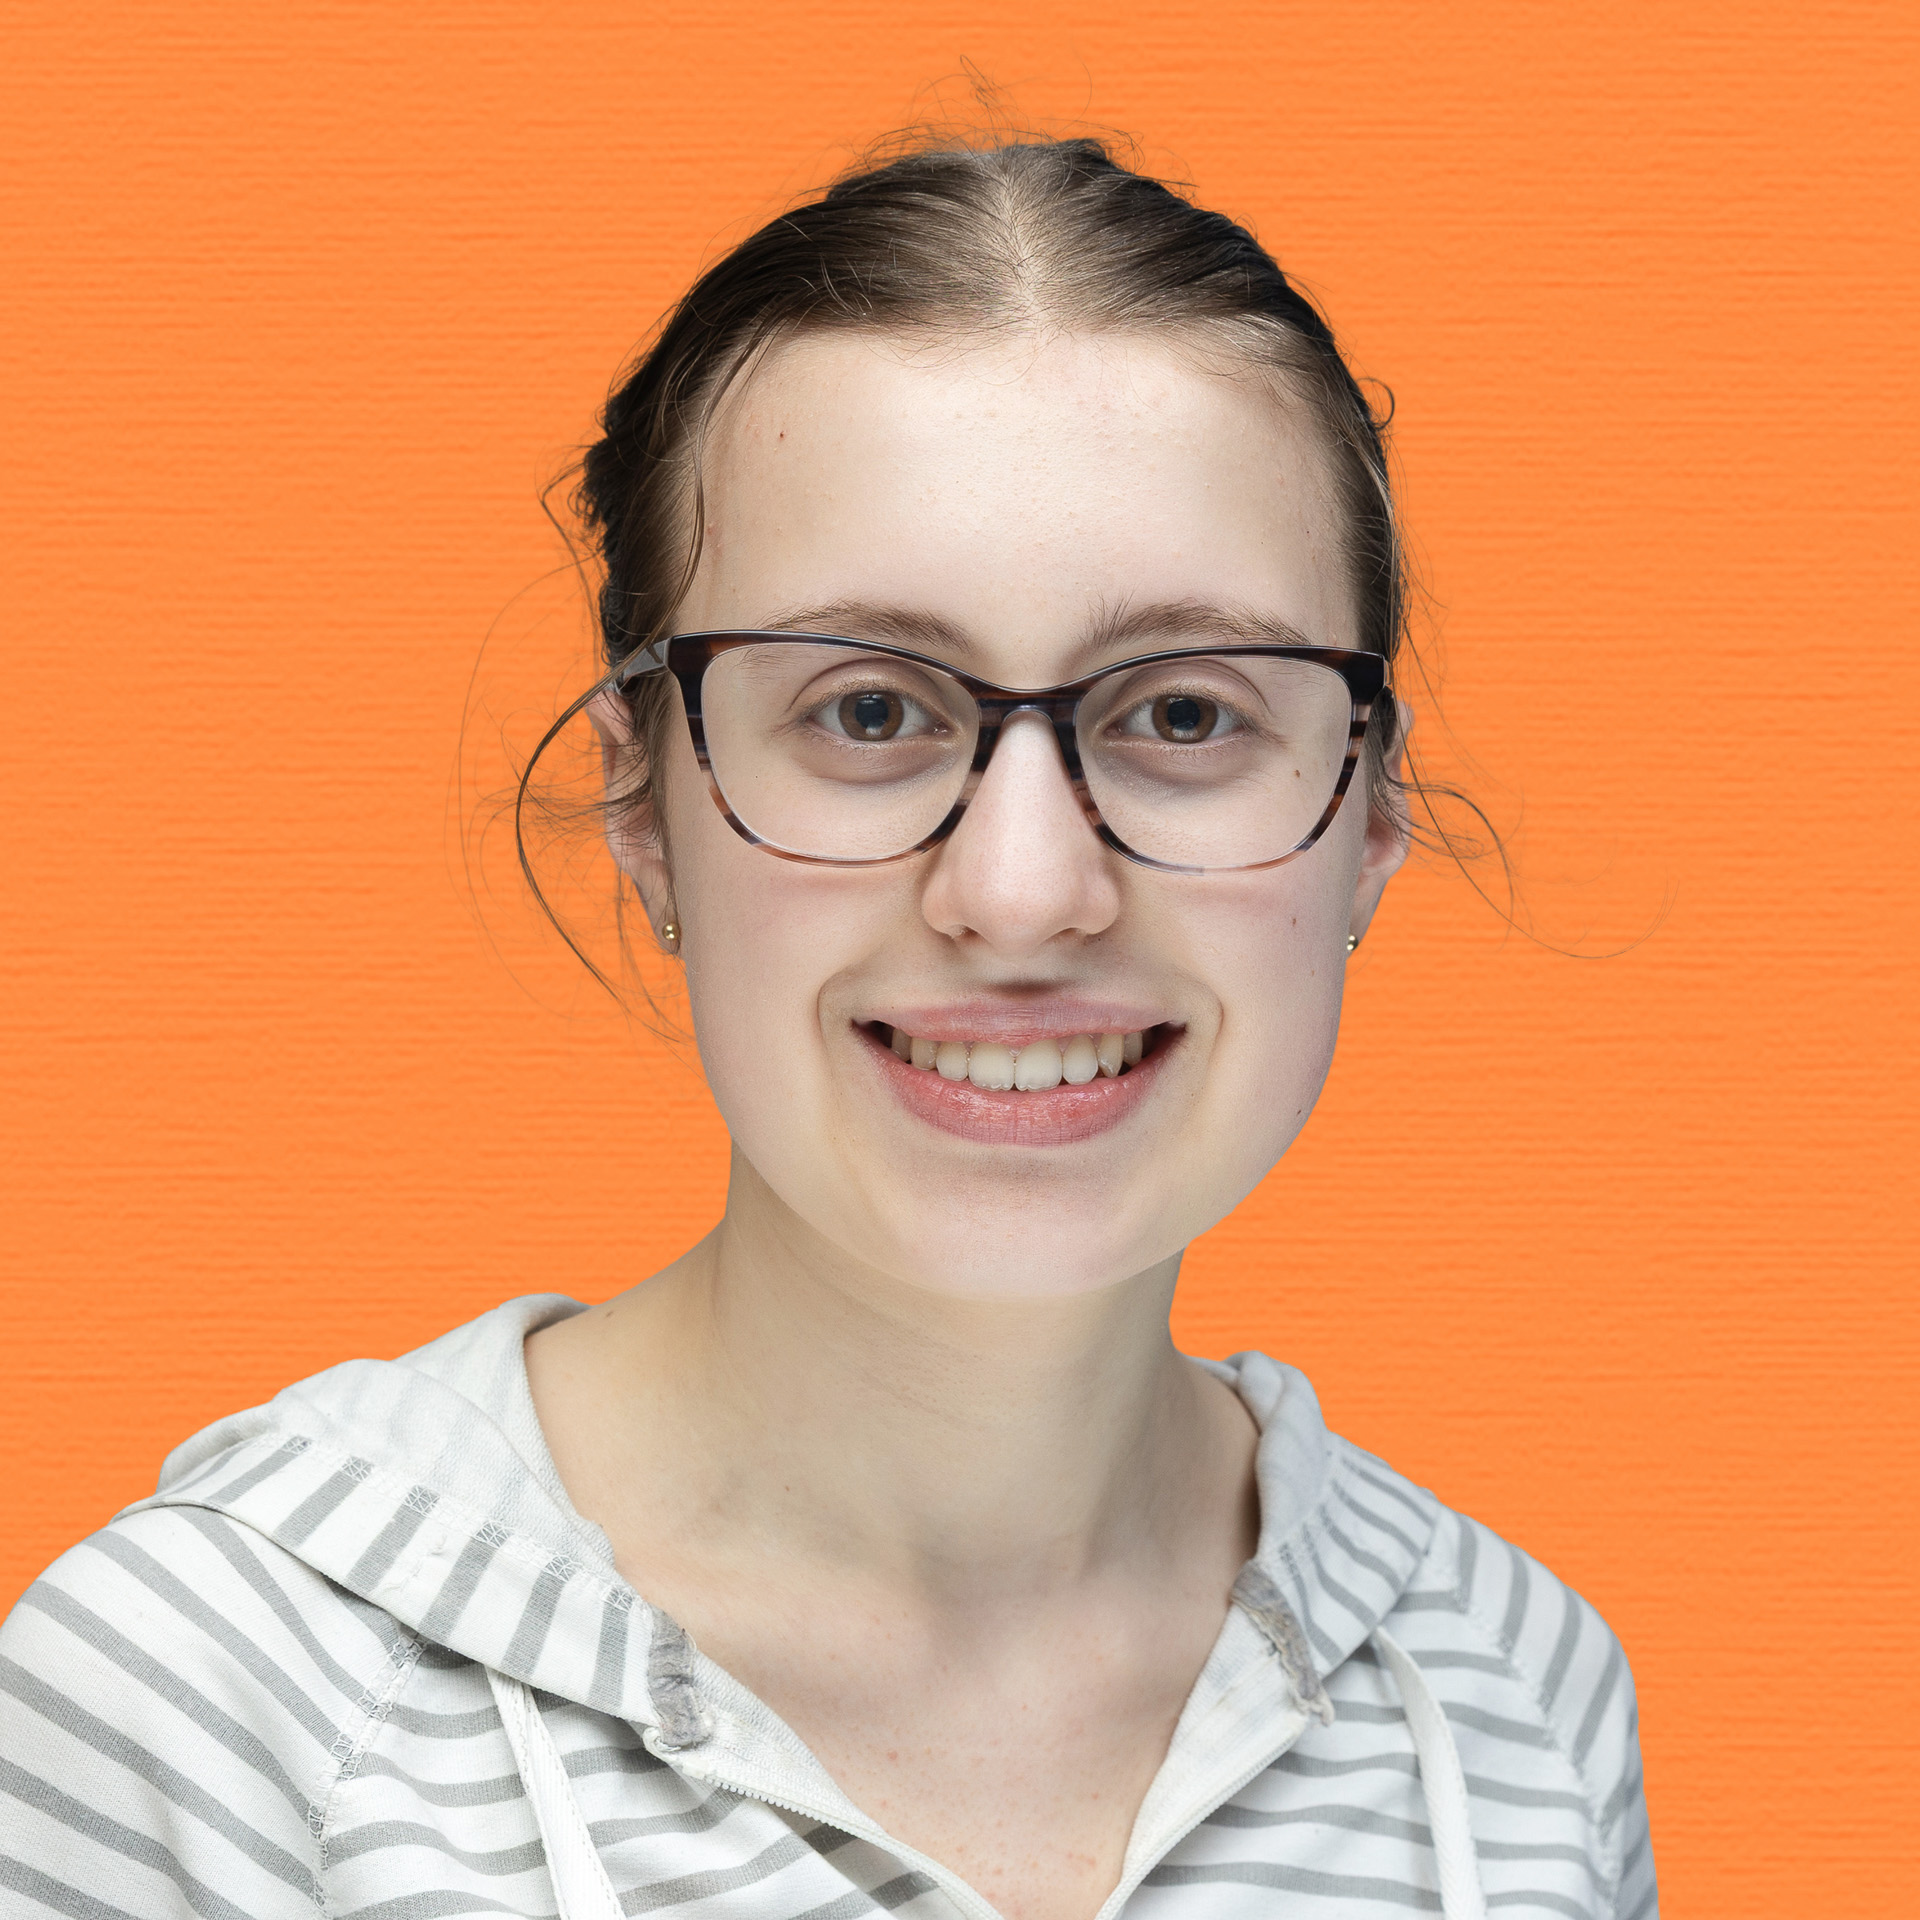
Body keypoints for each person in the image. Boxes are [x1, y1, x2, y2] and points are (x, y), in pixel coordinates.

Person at [0, 137, 1655, 1920]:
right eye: (868, 709)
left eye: (1183, 712)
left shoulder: (1515, 1701)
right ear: (648, 814)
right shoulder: (219, 1695)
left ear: (1369, 822)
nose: (1024, 893)